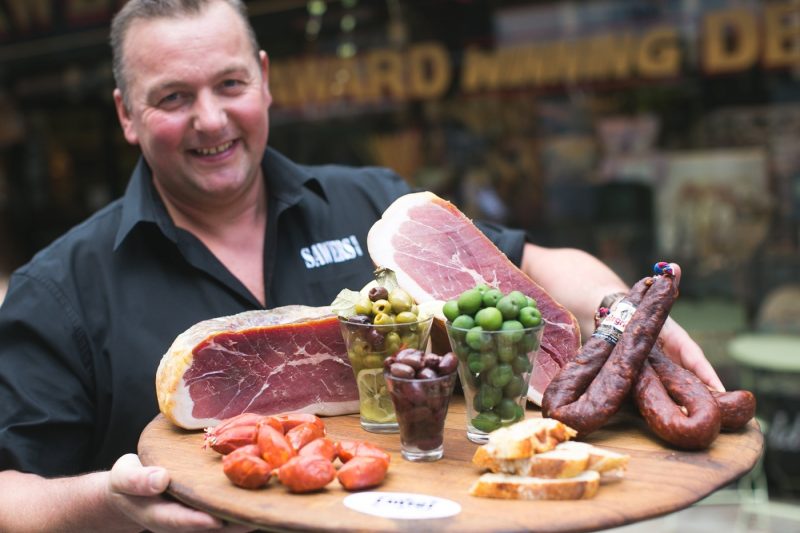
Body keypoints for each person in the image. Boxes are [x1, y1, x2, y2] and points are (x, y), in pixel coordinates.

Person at [0, 1, 724, 531]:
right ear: (126, 114)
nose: (211, 120)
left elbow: (540, 264)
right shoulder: (59, 289)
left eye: (228, 85)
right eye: (172, 98)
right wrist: (107, 501)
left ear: (264, 79)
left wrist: (627, 323)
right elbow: (10, 494)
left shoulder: (372, 202)